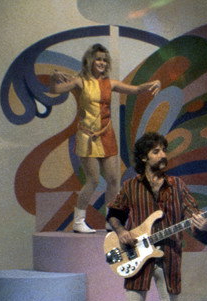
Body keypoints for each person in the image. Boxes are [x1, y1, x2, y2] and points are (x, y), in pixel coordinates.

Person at [106, 132, 207, 301]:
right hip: (136, 257)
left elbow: (195, 216)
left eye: (164, 150)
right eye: (156, 151)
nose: (163, 155)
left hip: (169, 256)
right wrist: (121, 232)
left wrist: (205, 225)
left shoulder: (177, 186)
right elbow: (114, 214)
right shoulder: (131, 186)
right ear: (144, 157)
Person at [50, 43, 161, 233]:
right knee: (93, 180)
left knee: (113, 180)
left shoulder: (110, 83)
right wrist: (54, 77)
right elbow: (55, 89)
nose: (101, 62)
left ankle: (111, 220)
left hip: (107, 134)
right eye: (98, 59)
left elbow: (135, 89)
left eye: (104, 60)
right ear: (89, 61)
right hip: (87, 136)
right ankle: (78, 221)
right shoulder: (80, 82)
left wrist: (154, 83)